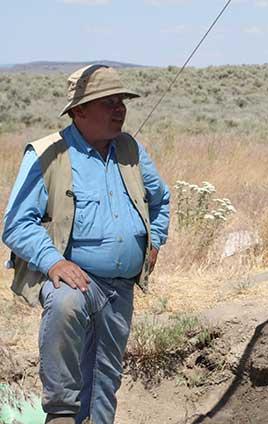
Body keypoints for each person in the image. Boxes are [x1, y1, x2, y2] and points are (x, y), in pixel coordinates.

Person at [2, 64, 171, 424]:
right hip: (75, 277)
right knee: (65, 303)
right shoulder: (48, 154)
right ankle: (61, 412)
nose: (119, 109)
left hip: (120, 288)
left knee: (104, 383)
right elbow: (16, 224)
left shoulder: (131, 150)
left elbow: (161, 200)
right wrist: (54, 262)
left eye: (122, 100)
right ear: (79, 111)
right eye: (107, 102)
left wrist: (154, 241)